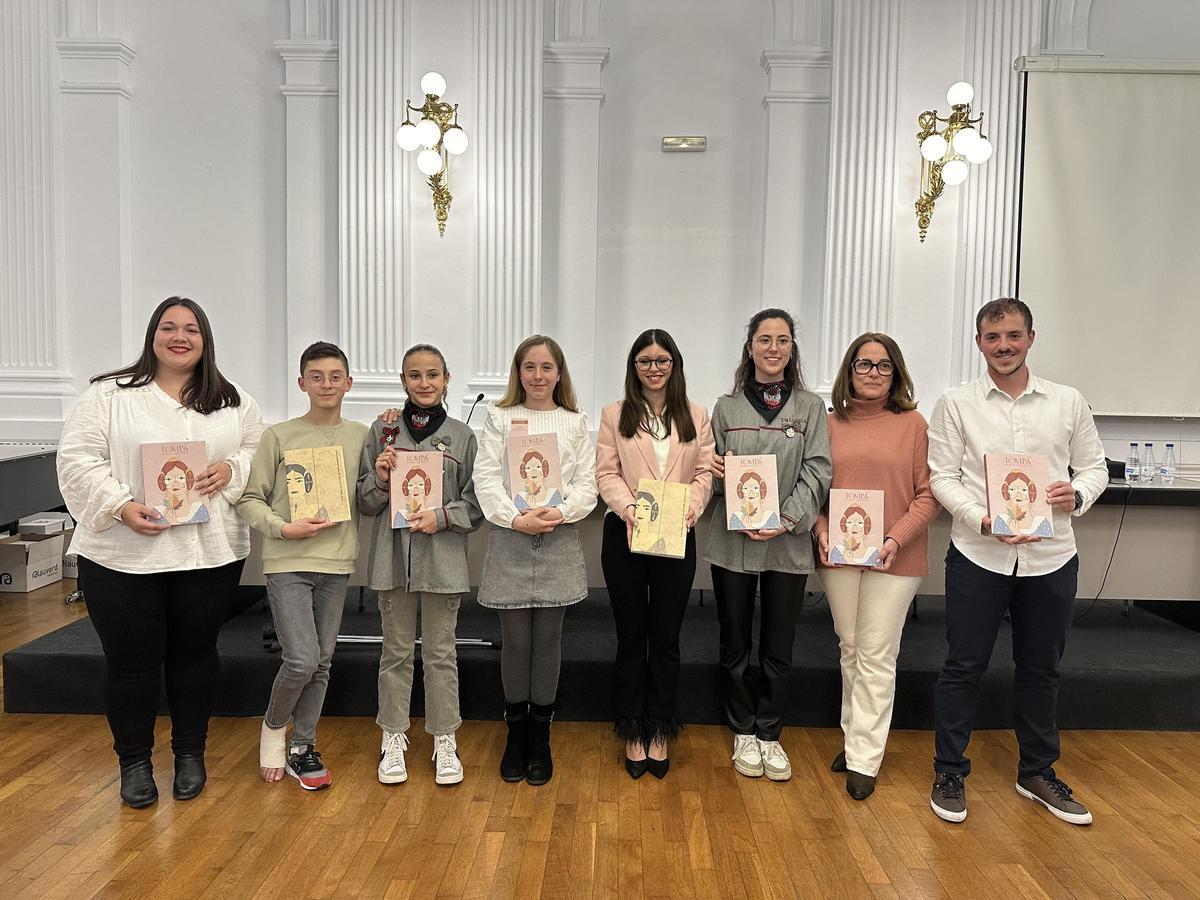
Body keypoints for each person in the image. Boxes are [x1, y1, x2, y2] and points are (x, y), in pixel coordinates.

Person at [56, 296, 263, 808]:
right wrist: (121, 504)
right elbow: (78, 459)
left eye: (191, 329)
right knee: (131, 662)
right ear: (152, 336)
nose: (180, 336)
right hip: (124, 555)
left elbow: (258, 448)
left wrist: (232, 469)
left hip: (206, 551)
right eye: (169, 327)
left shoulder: (232, 399)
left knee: (195, 655)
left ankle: (190, 753)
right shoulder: (109, 396)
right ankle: (134, 762)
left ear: (205, 339)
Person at [927, 298, 1108, 826]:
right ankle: (949, 771)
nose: (1003, 346)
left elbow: (1094, 466)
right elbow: (943, 477)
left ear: (1031, 337)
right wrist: (982, 519)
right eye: (992, 337)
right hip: (977, 554)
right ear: (979, 343)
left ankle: (1036, 772)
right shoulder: (956, 404)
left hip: (1052, 556)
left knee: (1041, 670)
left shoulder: (1067, 401)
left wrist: (1075, 494)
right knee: (962, 668)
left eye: (1012, 335)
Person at [706, 308, 831, 782]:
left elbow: (818, 469)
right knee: (735, 640)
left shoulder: (810, 408)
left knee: (779, 643)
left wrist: (786, 518)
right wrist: (716, 475)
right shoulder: (726, 407)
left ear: (791, 348)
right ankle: (741, 728)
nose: (773, 348)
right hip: (733, 544)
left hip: (787, 543)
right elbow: (713, 476)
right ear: (750, 347)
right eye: (764, 339)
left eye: (782, 340)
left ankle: (769, 733)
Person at [236, 341, 368, 791]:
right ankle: (274, 730)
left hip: (337, 563)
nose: (326, 384)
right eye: (317, 376)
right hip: (288, 561)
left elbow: (369, 493)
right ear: (301, 383)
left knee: (323, 661)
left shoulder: (361, 436)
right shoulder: (279, 436)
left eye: (335, 376)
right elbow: (249, 498)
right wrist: (281, 528)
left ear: (348, 383)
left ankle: (303, 747)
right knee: (300, 660)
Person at [814, 332, 939, 800]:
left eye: (883, 366)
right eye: (863, 365)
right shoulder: (825, 424)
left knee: (876, 652)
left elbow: (929, 495)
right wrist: (821, 528)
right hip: (837, 554)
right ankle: (855, 738)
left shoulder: (913, 425)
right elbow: (812, 486)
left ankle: (865, 757)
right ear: (849, 371)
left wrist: (895, 538)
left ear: (896, 373)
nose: (872, 374)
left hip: (896, 555)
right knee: (850, 646)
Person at [474, 335, 598, 786]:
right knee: (516, 641)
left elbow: (587, 482)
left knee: (548, 641)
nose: (538, 376)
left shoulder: (575, 421)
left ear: (559, 373)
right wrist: (513, 518)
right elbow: (485, 477)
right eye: (530, 367)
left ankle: (540, 737)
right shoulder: (499, 417)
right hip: (511, 538)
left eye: (547, 367)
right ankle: (516, 734)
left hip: (558, 537)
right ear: (518, 372)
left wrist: (560, 511)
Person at [358, 344, 482, 786]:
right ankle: (393, 737)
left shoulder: (464, 437)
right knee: (394, 654)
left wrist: (443, 516)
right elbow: (366, 502)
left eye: (433, 375)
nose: (424, 383)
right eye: (415, 375)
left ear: (447, 379)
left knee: (440, 655)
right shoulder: (383, 431)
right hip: (392, 563)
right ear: (403, 381)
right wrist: (380, 476)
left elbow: (476, 504)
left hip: (442, 563)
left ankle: (444, 739)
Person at [595, 329, 714, 779]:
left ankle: (660, 728)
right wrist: (631, 510)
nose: (654, 368)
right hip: (625, 535)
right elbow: (606, 472)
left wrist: (692, 507)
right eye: (645, 361)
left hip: (676, 534)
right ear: (634, 367)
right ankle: (632, 729)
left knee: (665, 637)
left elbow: (704, 472)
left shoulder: (696, 415)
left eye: (662, 360)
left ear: (674, 365)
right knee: (630, 636)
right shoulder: (615, 414)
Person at [992, 471, 1052, 537]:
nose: (1018, 494)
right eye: (1012, 489)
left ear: (1031, 492)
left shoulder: (1041, 522)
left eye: (1024, 490)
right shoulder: (1002, 520)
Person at [153, 459, 210, 525]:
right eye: (169, 479)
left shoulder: (198, 509)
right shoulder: (158, 511)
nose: (175, 483)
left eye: (180, 478)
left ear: (188, 480)